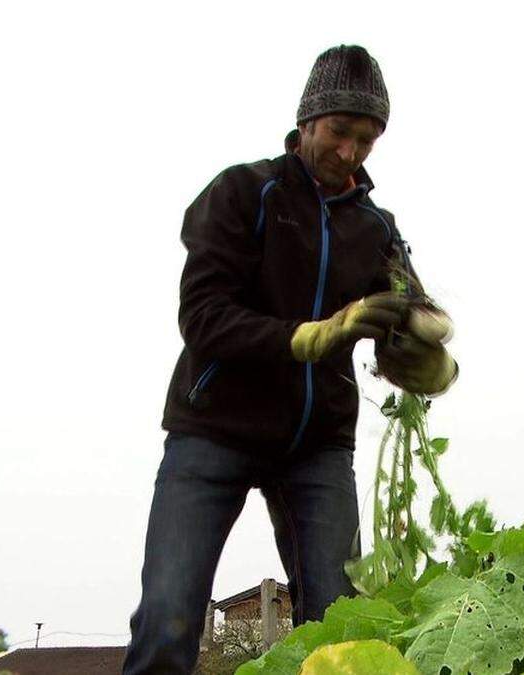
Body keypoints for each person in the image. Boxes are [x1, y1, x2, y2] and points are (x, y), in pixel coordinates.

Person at [122, 45, 457, 674]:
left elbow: (413, 310)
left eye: (367, 138)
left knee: (339, 623)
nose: (350, 152)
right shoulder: (245, 193)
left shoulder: (375, 227)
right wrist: (311, 336)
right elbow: (203, 318)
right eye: (339, 132)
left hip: (316, 445)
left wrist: (424, 349)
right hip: (213, 431)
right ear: (307, 122)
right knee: (169, 615)